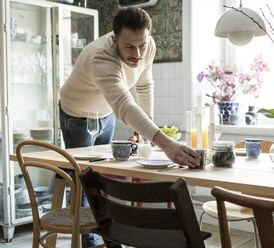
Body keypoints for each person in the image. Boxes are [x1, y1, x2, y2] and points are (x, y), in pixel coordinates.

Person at [59, 7, 201, 247]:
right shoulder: (100, 56)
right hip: (77, 114)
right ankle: (89, 241)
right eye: (129, 47)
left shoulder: (147, 45)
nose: (137, 53)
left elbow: (144, 86)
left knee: (103, 175)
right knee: (84, 178)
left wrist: (146, 129)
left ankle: (109, 235)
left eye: (142, 45)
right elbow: (124, 103)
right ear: (114, 41)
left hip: (107, 112)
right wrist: (164, 142)